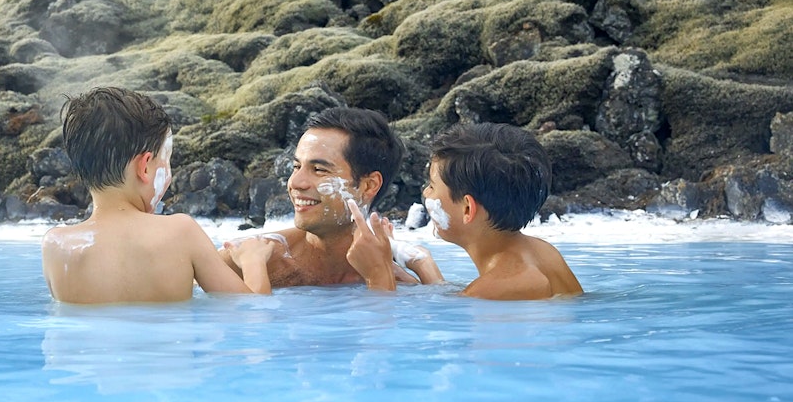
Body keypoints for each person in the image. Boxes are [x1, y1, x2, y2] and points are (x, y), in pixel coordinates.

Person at [42, 86, 272, 304]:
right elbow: (253, 311)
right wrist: (254, 259)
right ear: (144, 167)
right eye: (167, 159)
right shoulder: (181, 233)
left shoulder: (55, 247)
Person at [347, 122, 583, 299]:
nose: (426, 194)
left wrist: (378, 276)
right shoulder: (540, 252)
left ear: (468, 208)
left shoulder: (502, 285)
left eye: (432, 185)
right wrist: (421, 265)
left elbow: (388, 334)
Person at [222, 106, 445, 288]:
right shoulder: (245, 260)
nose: (295, 183)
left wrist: (421, 262)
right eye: (296, 166)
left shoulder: (394, 282)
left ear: (368, 186)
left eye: (319, 170)